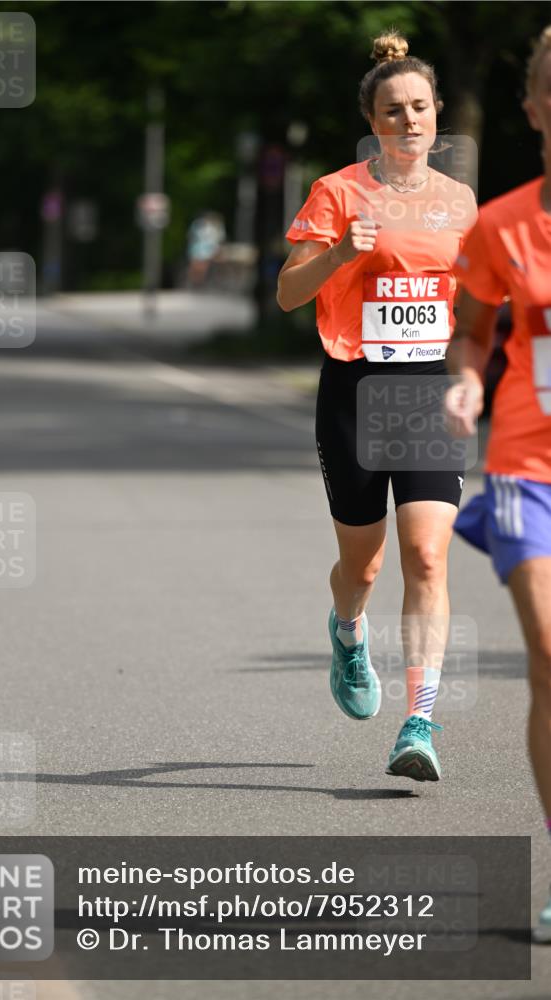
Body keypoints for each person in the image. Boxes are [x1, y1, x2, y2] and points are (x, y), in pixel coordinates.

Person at [277, 31, 477, 781]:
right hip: (355, 391)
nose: (408, 121)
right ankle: (346, 629)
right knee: (360, 569)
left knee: (426, 555)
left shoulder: (456, 201)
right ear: (372, 119)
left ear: (436, 115)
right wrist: (338, 253)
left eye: (420, 108)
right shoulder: (337, 193)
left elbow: (476, 300)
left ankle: (417, 722)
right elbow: (289, 293)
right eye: (392, 111)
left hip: (427, 391)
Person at [444, 25, 551, 943]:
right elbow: (474, 329)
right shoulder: (501, 224)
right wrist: (469, 378)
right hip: (526, 460)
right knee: (549, 653)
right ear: (534, 107)